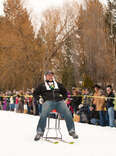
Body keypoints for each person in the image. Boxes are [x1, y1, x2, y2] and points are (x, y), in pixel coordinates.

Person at [33, 71, 78, 141]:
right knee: (43, 113)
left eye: (51, 75)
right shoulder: (42, 85)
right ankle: (40, 132)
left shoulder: (58, 84)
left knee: (67, 112)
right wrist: (39, 99)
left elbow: (65, 92)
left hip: (59, 102)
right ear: (46, 77)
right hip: (48, 101)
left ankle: (71, 131)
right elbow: (35, 93)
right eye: (48, 75)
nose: (50, 77)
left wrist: (65, 98)